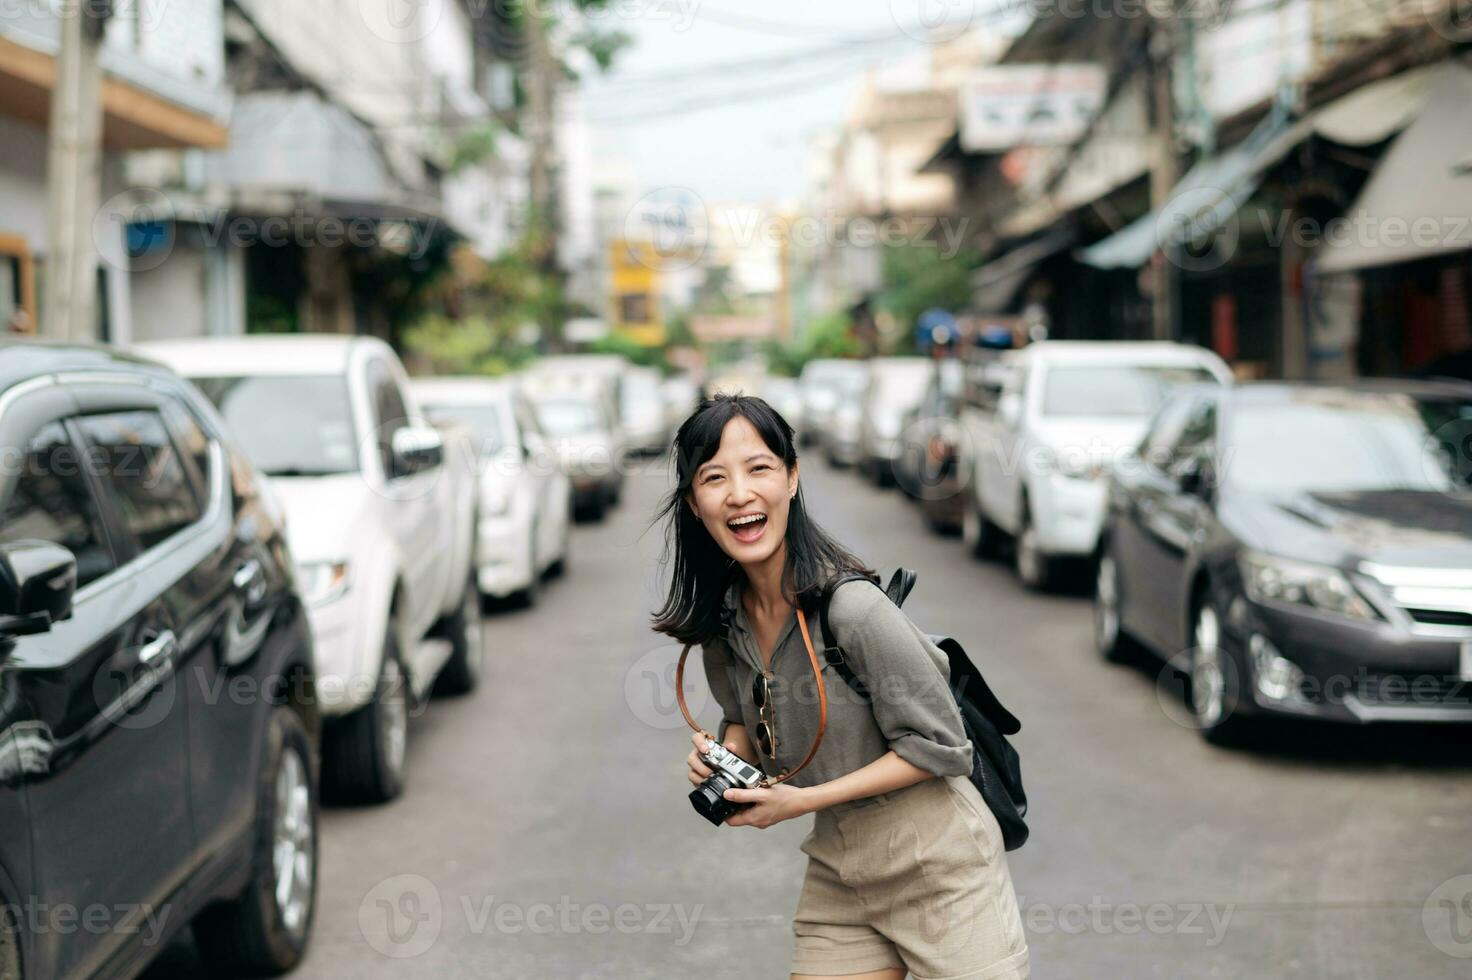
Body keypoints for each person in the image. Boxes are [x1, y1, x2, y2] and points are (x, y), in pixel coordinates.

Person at [652, 393, 1029, 980]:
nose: (740, 494)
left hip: (940, 869)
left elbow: (942, 746)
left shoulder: (852, 608)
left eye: (759, 469)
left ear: (793, 478)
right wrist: (722, 761)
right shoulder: (723, 623)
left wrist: (799, 801)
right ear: (696, 504)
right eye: (714, 477)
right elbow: (745, 723)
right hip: (842, 868)